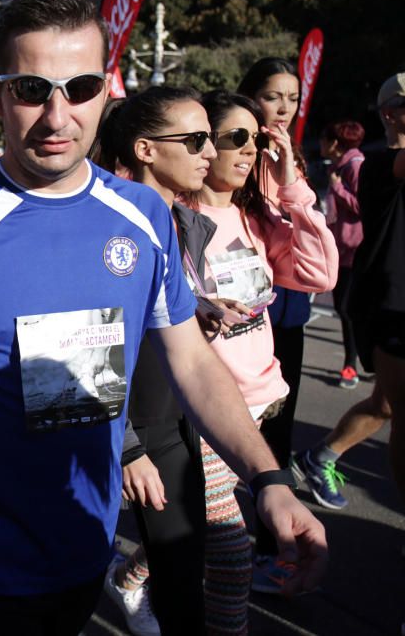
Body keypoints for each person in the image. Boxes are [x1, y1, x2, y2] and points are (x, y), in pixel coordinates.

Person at [0, 0, 327, 635]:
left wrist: (270, 475)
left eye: (79, 87)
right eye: (31, 88)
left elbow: (192, 361)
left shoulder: (142, 217)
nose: (57, 115)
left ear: (106, 91)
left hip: (87, 543)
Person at [182, 90, 336, 626]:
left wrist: (291, 183)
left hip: (257, 407)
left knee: (197, 528)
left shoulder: (256, 220)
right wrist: (194, 305)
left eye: (258, 139)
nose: (249, 150)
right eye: (236, 138)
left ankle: (130, 577)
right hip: (200, 412)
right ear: (204, 144)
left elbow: (319, 275)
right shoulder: (174, 219)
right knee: (229, 549)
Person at [95, 86, 218, 636]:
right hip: (122, 429)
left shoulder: (184, 223)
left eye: (210, 138)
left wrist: (202, 311)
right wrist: (126, 447)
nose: (209, 152)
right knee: (56, 588)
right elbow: (76, 339)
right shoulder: (103, 223)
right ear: (145, 149)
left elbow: (166, 316)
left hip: (178, 417)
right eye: (195, 140)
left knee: (186, 579)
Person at [235, 58, 337, 592]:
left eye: (291, 98)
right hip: (234, 322)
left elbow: (317, 266)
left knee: (276, 431)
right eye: (272, 96)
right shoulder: (233, 157)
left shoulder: (288, 168)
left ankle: (267, 545)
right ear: (249, 97)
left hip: (286, 312)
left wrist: (291, 177)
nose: (281, 108)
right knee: (226, 437)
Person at [293, 73, 405, 511]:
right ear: (391, 114)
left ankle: (320, 455)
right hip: (389, 303)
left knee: (385, 406)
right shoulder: (377, 163)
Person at [320, 121, 366, 388]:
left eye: (325, 140)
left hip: (355, 249)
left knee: (348, 309)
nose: (322, 145)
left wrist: (338, 188)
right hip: (342, 248)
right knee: (344, 307)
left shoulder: (355, 165)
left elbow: (363, 206)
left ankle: (352, 365)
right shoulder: (341, 167)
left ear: (335, 143)